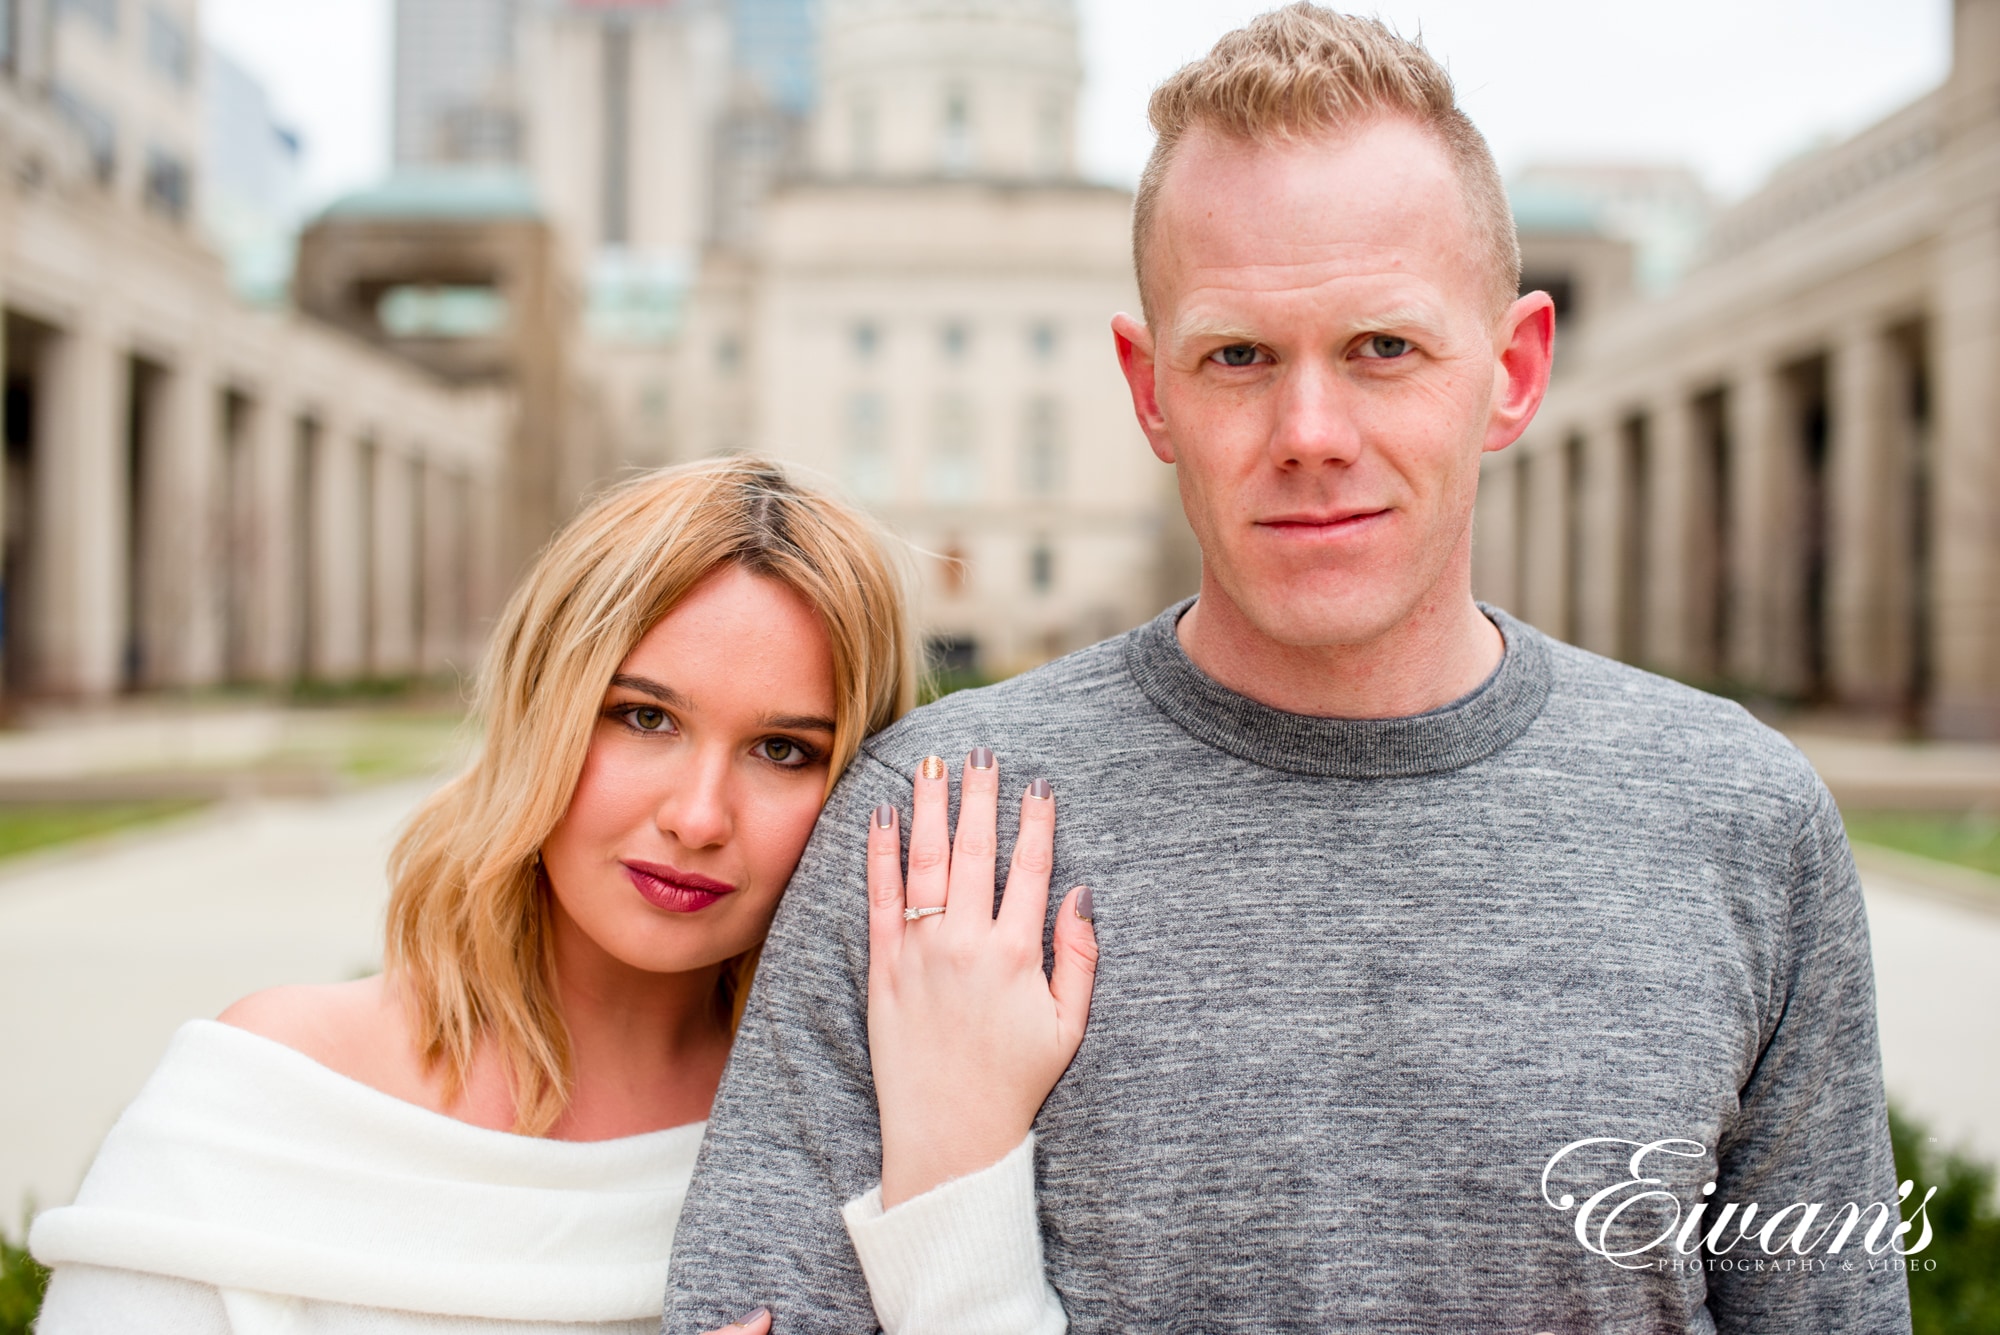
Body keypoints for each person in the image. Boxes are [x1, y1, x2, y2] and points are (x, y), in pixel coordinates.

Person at [664, 7, 1912, 1332]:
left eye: (1384, 346)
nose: (1310, 433)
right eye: (1239, 356)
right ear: (1151, 390)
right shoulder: (927, 829)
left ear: (1514, 368)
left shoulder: (1740, 819)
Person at [29, 459, 1093, 1334]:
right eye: (642, 718)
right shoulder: (267, 1100)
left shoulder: (875, 1123)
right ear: (544, 707)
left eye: (782, 749)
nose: (699, 815)